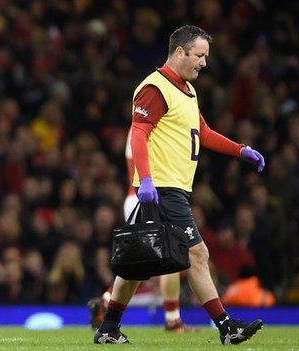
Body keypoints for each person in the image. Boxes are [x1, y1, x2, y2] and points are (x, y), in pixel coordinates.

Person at [93, 25, 265, 345]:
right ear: (180, 52)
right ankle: (227, 326)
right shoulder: (155, 87)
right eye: (199, 56)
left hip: (173, 189)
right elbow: (139, 133)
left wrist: (240, 150)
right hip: (162, 188)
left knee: (137, 261)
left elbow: (204, 132)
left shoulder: (186, 89)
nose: (204, 63)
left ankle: (107, 328)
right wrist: (145, 180)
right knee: (198, 253)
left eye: (206, 57)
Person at [90, 131, 193, 333]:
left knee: (139, 266)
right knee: (172, 255)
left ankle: (106, 300)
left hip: (134, 197)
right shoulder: (151, 125)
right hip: (149, 196)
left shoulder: (136, 126)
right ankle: (172, 319)